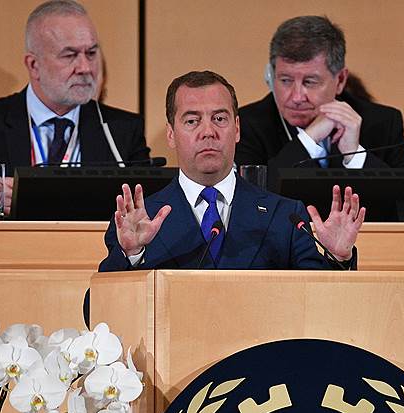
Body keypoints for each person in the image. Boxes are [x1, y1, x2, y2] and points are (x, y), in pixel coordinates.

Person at [98, 70, 364, 272]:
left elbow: (319, 302)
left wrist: (338, 259)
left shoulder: (286, 216)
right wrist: (131, 255)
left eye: (219, 119)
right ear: (171, 134)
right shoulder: (137, 220)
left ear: (236, 129)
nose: (208, 132)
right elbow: (98, 310)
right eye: (192, 121)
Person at [0, 0, 150, 215]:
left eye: (91, 53)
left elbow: (152, 208)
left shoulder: (123, 131)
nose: (85, 68)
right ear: (33, 65)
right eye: (70, 55)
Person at [236, 15, 404, 193]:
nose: (297, 97)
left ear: (340, 80)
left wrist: (354, 155)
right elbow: (248, 197)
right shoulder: (247, 125)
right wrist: (308, 141)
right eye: (285, 80)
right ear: (272, 76)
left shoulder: (381, 123)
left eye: (310, 82)